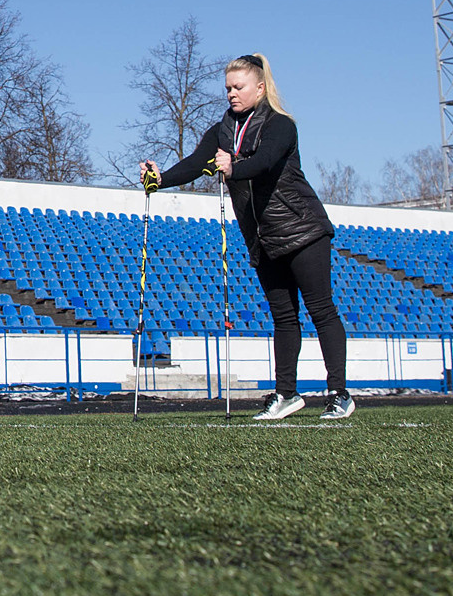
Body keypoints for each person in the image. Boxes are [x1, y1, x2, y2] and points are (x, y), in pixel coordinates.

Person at [143, 54, 351, 421]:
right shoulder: (223, 129)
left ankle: (339, 393)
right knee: (283, 318)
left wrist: (233, 167)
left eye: (239, 87)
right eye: (228, 88)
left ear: (260, 87)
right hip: (263, 238)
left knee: (321, 311)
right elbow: (195, 163)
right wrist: (160, 179)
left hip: (302, 229)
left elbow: (265, 162)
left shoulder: (281, 125)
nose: (232, 94)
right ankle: (287, 394)